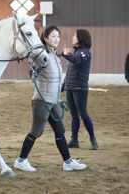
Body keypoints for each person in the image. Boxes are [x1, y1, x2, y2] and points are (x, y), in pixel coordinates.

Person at [14, 25, 87, 172]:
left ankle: (67, 162)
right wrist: (34, 70)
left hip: (53, 101)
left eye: (58, 36)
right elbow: (33, 62)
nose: (56, 39)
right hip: (42, 100)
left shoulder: (54, 55)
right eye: (53, 36)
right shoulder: (42, 55)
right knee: (36, 131)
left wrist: (58, 97)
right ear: (45, 38)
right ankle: (21, 160)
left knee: (60, 131)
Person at [62, 29, 98, 150]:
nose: (73, 37)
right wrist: (64, 85)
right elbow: (69, 72)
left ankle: (93, 139)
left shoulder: (85, 53)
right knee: (74, 115)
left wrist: (66, 55)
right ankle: (74, 140)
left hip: (80, 87)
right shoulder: (76, 52)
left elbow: (76, 60)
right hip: (70, 87)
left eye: (75, 36)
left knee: (83, 114)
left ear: (81, 39)